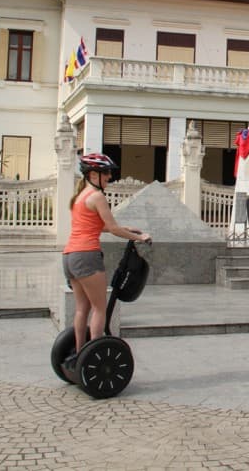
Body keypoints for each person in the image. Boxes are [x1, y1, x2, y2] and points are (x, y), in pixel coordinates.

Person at [63, 153, 151, 367]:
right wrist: (140, 237)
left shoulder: (81, 196)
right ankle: (94, 356)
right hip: (87, 256)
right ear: (93, 174)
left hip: (69, 256)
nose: (109, 177)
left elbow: (96, 225)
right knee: (99, 308)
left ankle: (79, 351)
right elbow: (112, 228)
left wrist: (126, 229)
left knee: (82, 308)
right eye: (106, 173)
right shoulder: (97, 196)